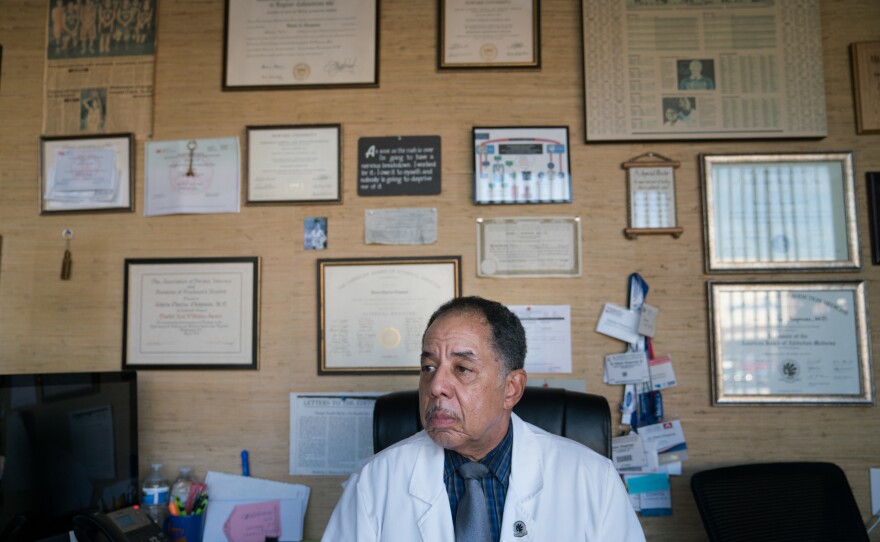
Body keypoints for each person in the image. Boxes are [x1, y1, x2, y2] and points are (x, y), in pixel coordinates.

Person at [322, 296, 646, 541]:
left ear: (511, 388)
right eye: (428, 368)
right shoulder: (375, 482)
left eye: (462, 369)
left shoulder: (593, 481)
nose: (435, 387)